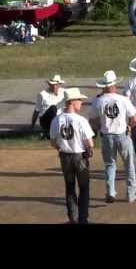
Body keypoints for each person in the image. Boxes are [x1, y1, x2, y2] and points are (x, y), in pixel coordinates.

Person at [89, 70, 136, 203]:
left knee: (110, 164)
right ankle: (131, 194)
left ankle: (110, 191)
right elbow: (134, 119)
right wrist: (129, 126)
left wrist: (100, 127)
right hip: (122, 134)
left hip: (106, 136)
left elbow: (92, 120)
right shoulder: (123, 99)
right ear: (115, 85)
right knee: (129, 165)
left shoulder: (98, 101)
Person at [49, 88, 95, 224]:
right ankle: (83, 218)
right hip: (80, 157)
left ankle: (72, 216)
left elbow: (53, 141)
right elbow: (90, 143)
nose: (81, 103)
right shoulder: (81, 120)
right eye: (79, 100)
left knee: (69, 187)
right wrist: (89, 149)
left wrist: (61, 147)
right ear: (72, 102)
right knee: (84, 187)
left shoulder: (56, 120)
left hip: (64, 156)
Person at [31, 74, 66, 139]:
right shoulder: (42, 94)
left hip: (60, 119)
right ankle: (51, 132)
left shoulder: (64, 92)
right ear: (49, 84)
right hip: (45, 119)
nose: (54, 87)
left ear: (59, 85)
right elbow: (37, 110)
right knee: (53, 108)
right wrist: (32, 125)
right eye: (52, 85)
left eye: (56, 85)